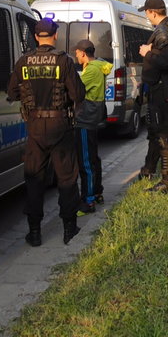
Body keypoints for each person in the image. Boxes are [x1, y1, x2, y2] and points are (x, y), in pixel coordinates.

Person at [6, 18, 85, 246]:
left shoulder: (23, 62)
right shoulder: (63, 61)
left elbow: (12, 92)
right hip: (60, 126)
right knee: (67, 178)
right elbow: (78, 94)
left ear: (35, 36)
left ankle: (35, 232)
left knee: (34, 179)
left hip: (34, 128)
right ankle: (69, 229)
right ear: (55, 36)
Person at [137, 0, 168, 192]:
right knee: (156, 133)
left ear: (153, 12)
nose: (147, 17)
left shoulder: (164, 31)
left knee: (164, 136)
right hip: (160, 90)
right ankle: (149, 170)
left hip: (163, 91)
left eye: (147, 13)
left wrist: (148, 52)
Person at [73, 39, 113, 214]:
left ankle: (88, 201)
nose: (76, 56)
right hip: (94, 116)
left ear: (83, 53)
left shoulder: (91, 71)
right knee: (93, 158)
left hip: (85, 119)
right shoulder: (99, 66)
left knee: (86, 162)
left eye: (76, 53)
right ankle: (97, 192)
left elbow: (76, 91)